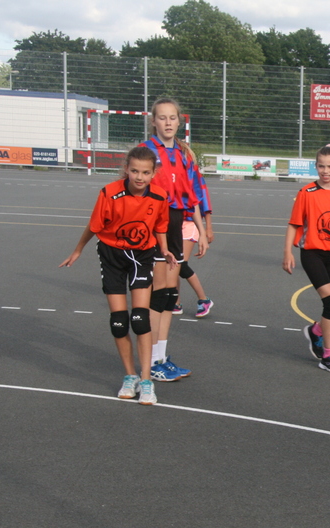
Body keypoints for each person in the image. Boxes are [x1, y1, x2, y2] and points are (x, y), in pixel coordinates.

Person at [59, 146, 173, 406]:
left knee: (140, 319)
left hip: (141, 256)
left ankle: (146, 380)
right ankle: (130, 376)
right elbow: (94, 225)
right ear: (126, 169)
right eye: (135, 171)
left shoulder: (159, 196)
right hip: (112, 256)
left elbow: (160, 225)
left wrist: (164, 249)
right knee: (119, 322)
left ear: (153, 173)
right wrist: (78, 250)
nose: (139, 177)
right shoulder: (109, 193)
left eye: (145, 172)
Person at [140, 97, 208, 382]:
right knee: (158, 293)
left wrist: (201, 231)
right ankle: (150, 361)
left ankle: (161, 357)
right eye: (162, 117)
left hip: (177, 222)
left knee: (169, 294)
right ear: (153, 121)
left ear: (180, 121)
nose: (167, 122)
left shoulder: (182, 155)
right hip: (155, 224)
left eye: (172, 117)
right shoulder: (146, 152)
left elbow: (192, 196)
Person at [283, 144, 330, 373]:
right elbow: (294, 224)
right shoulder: (306, 193)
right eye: (321, 166)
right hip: (312, 254)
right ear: (316, 166)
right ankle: (328, 355)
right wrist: (287, 252)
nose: (326, 171)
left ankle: (315, 331)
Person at [173, 207, 215, 318]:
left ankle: (203, 299)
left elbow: (205, 207)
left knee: (181, 264)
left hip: (189, 224)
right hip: (173, 223)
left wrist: (208, 229)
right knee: (172, 264)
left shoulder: (194, 194)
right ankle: (176, 303)